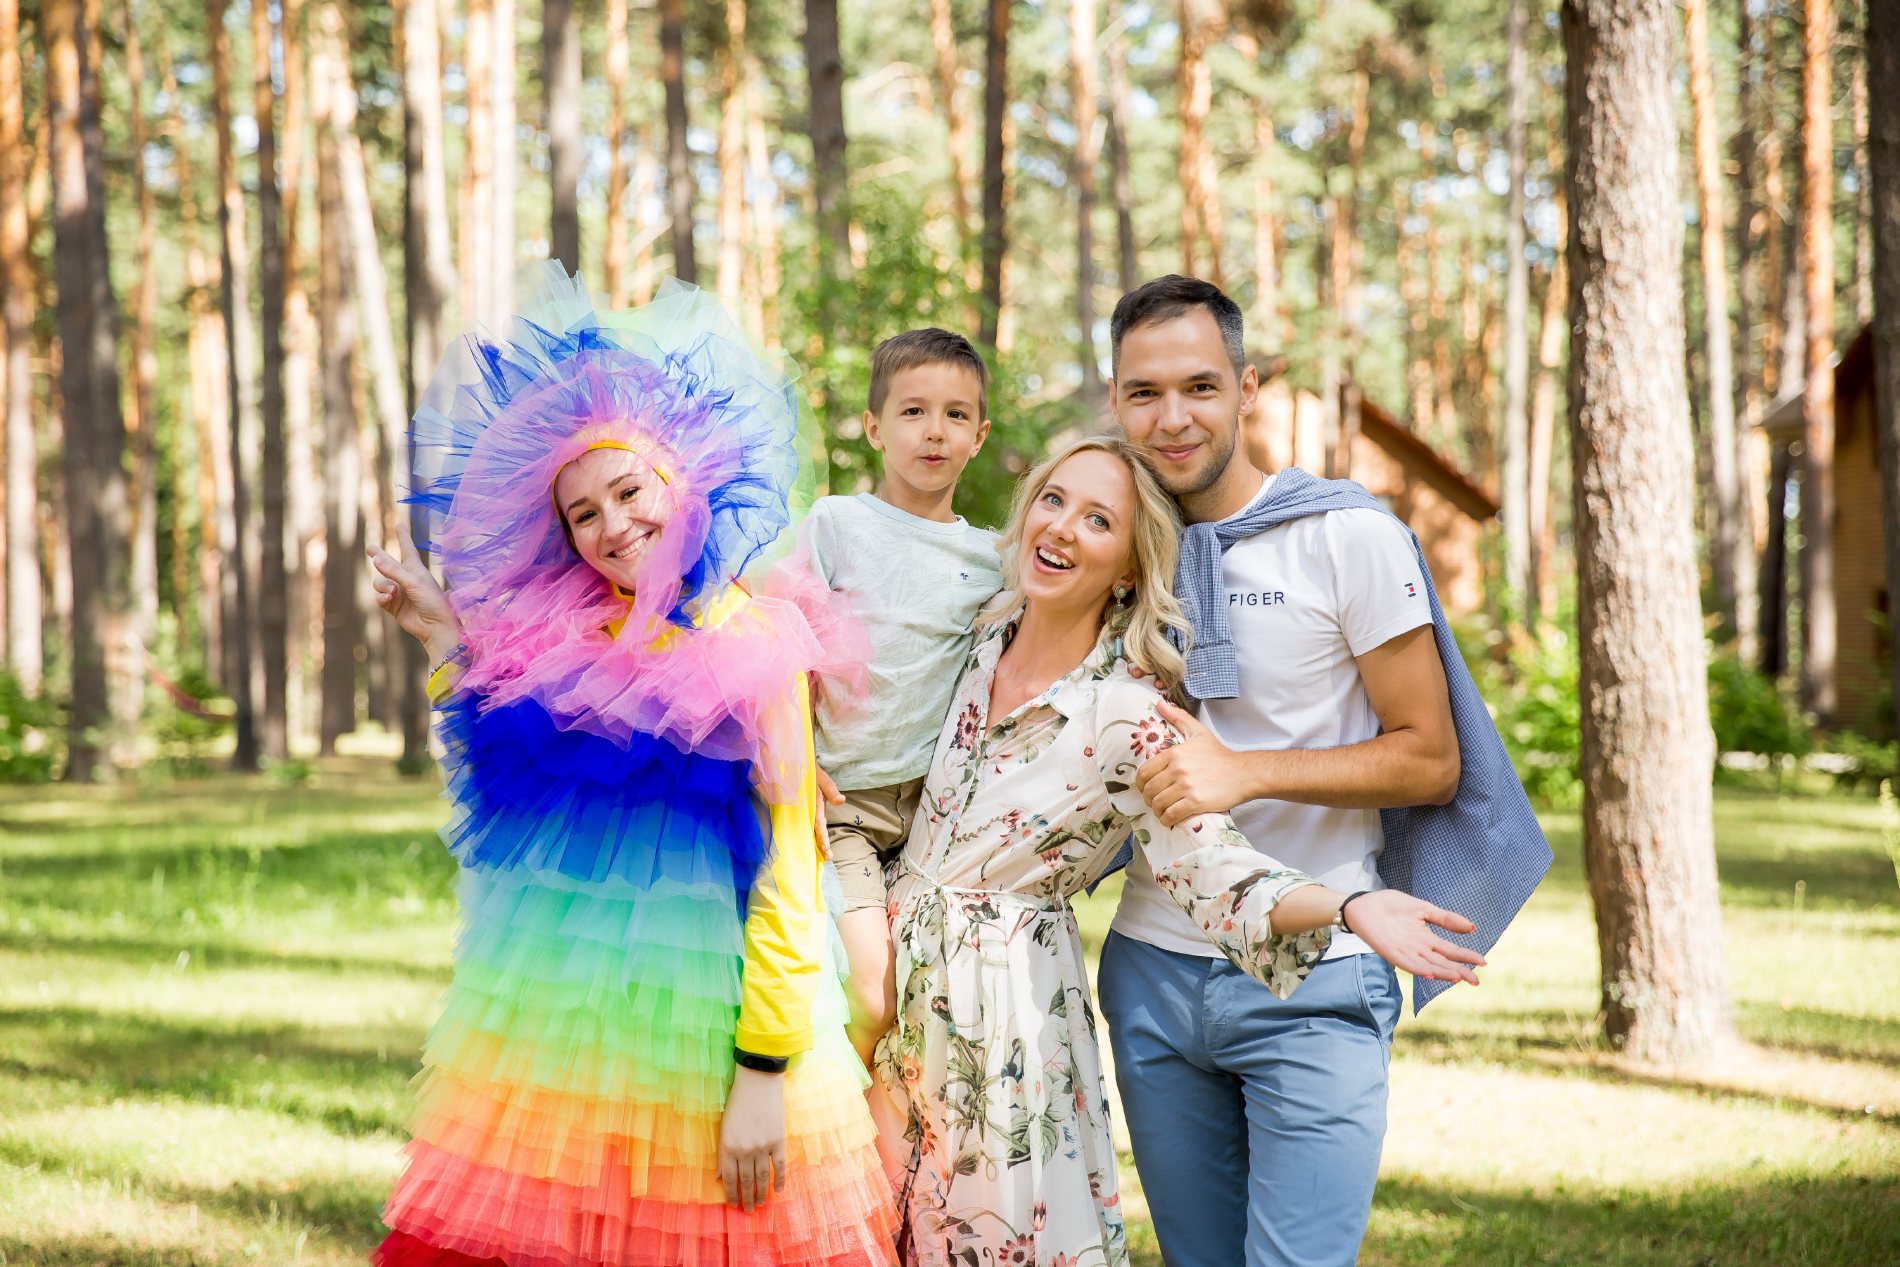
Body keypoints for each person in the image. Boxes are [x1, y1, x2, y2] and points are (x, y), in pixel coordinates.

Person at [365, 267, 898, 1267]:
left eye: (628, 491)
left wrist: (763, 1072)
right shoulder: (577, 635)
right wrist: (440, 632)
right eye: (582, 513)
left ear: (679, 483)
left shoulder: (753, 644)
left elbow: (791, 872)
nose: (612, 526)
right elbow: (510, 774)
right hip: (566, 1026)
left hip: (707, 1034)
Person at [872, 434, 1484, 1267]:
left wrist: (1348, 905)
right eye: (1054, 499)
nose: (1063, 527)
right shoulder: (978, 637)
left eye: (1099, 520)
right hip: (890, 995)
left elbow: (1215, 871)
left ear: (1129, 569)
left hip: (1005, 1025)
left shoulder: (1128, 714)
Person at [1098, 275, 1552, 1267]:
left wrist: (1245, 771)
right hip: (1151, 970)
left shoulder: (1346, 537)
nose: (1172, 418)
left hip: (1317, 973)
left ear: (1247, 388)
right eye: (1143, 393)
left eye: (1199, 386)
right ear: (1115, 401)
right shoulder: (1111, 550)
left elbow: (1430, 756)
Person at [799, 328, 1003, 1063]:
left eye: (956, 415)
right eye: (913, 411)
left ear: (979, 437)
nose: (934, 431)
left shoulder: (993, 558)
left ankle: (891, 1124)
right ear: (874, 427)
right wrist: (792, 764)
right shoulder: (837, 525)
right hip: (842, 801)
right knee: (870, 995)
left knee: (926, 999)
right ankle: (831, 1120)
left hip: (934, 813)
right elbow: (783, 654)